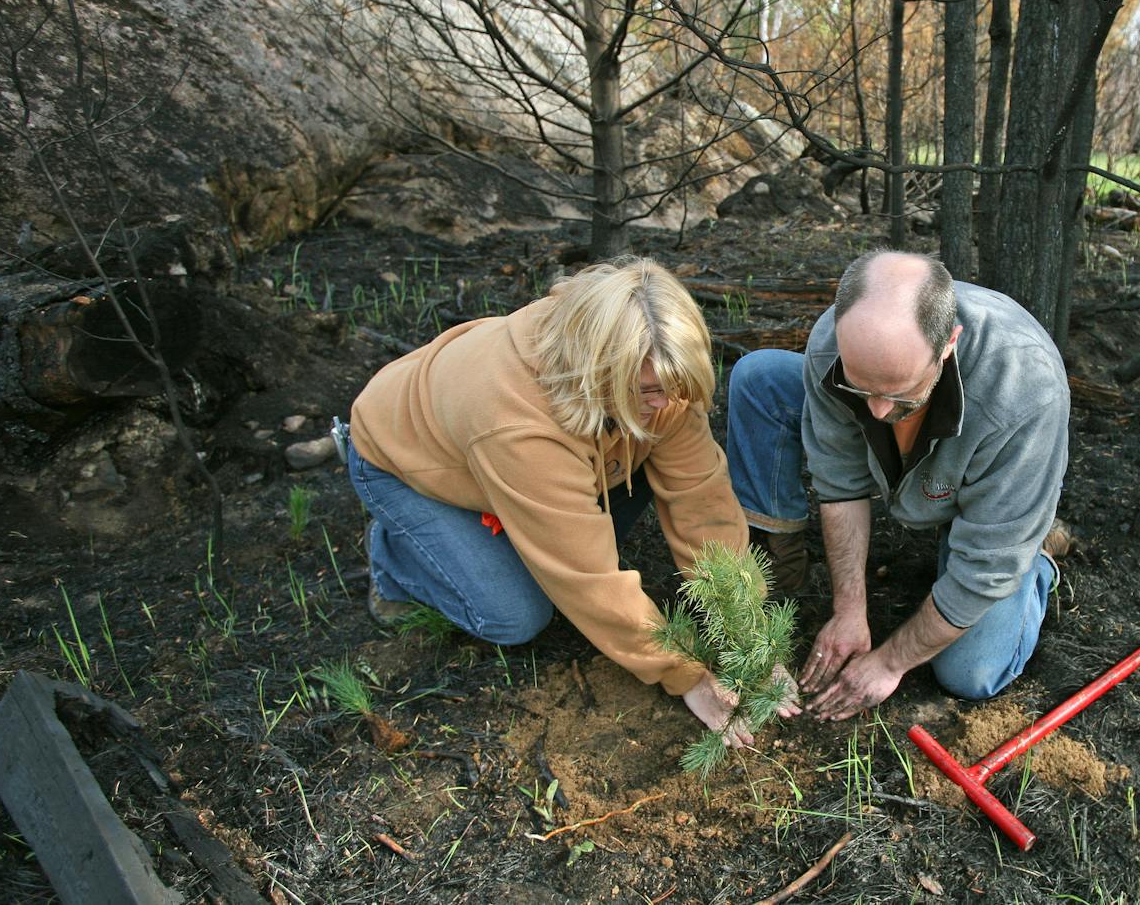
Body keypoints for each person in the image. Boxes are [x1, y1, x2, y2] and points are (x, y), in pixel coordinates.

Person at [340, 257, 798, 744]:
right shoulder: (518, 424)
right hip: (404, 463)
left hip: (540, 459)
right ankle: (396, 552)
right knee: (515, 615)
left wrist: (748, 634)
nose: (665, 405)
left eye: (674, 390)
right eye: (648, 392)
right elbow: (587, 579)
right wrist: (684, 675)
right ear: (600, 369)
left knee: (583, 515)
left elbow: (701, 500)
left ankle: (509, 529)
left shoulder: (654, 367)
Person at [726, 250, 1069, 721]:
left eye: (897, 393)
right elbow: (840, 481)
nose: (877, 412)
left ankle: (1032, 555)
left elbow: (980, 574)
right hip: (911, 472)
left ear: (948, 344)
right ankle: (774, 555)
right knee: (761, 376)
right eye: (861, 389)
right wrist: (849, 611)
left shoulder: (1025, 392)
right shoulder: (836, 341)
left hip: (976, 485)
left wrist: (889, 663)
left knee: (970, 674)